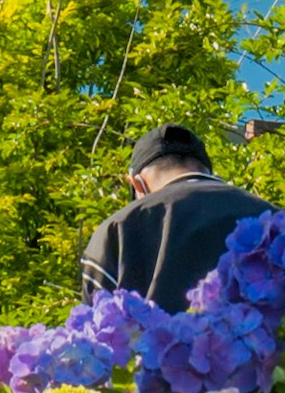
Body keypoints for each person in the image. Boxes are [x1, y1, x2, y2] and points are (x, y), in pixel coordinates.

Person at [78, 124, 266, 315]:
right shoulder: (274, 218)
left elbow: (98, 330)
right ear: (209, 173)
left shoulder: (117, 228)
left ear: (138, 184)